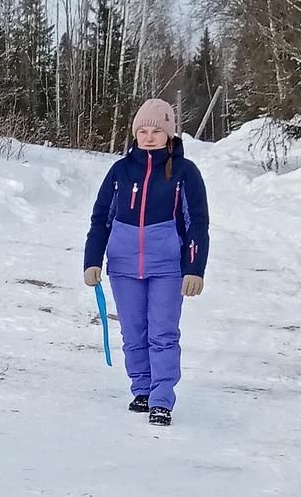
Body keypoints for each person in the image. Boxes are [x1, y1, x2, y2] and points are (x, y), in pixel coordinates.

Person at [83, 99, 209, 426]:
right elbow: (101, 220)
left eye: (156, 130)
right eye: (143, 130)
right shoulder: (119, 172)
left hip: (168, 268)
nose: (149, 136)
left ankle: (162, 397)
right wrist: (92, 260)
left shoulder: (185, 173)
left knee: (163, 333)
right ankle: (141, 388)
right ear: (135, 133)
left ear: (169, 134)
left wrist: (194, 268)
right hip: (124, 267)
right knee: (134, 332)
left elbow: (197, 223)